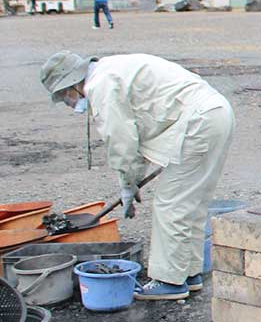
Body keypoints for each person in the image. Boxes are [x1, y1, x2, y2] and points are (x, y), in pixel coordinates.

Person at [40, 51, 236, 301]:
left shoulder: (101, 85)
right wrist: (132, 181)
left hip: (197, 122)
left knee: (171, 204)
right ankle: (188, 273)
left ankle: (169, 281)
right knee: (190, 203)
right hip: (212, 114)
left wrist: (127, 185)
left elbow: (121, 141)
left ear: (71, 84)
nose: (68, 102)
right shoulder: (110, 70)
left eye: (64, 96)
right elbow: (139, 130)